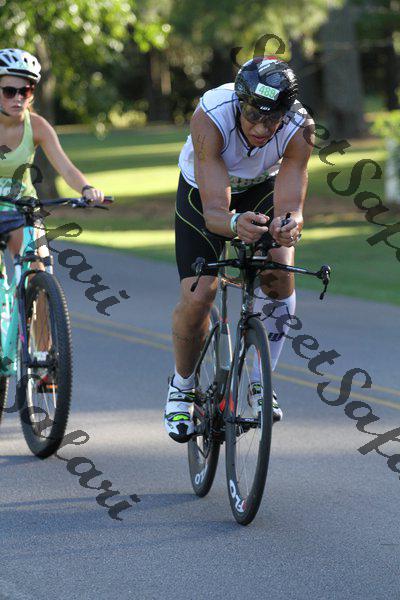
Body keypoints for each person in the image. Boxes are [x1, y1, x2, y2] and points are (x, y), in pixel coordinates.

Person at [164, 55, 314, 443]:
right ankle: (182, 386)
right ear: (239, 103)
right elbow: (216, 211)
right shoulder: (211, 115)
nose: (261, 128)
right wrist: (233, 224)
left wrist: (289, 226)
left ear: (286, 112)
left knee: (280, 273)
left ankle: (262, 383)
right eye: (252, 116)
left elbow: (292, 205)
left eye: (272, 119)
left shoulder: (300, 127)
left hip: (262, 187)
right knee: (200, 294)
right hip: (203, 194)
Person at [0, 48, 105, 390]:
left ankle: (44, 359)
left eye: (25, 90)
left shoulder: (37, 126)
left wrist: (86, 188)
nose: (18, 98)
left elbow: (66, 167)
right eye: (9, 90)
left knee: (40, 268)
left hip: (21, 208)